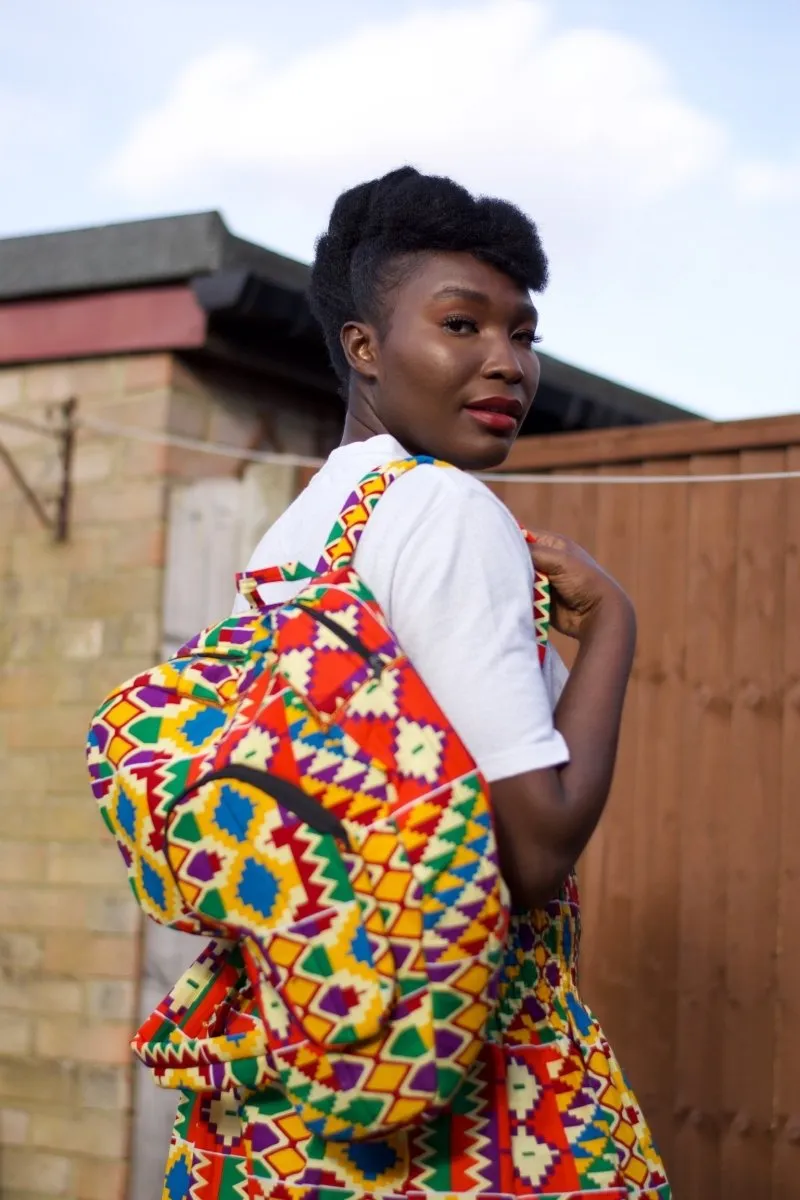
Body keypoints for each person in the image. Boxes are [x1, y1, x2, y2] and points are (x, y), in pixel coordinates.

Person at [229, 166, 669, 1197]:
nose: (505, 362)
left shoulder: (290, 540)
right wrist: (610, 632)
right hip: (458, 1073)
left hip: (309, 1054)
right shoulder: (443, 510)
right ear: (364, 348)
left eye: (521, 335)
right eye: (462, 326)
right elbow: (531, 848)